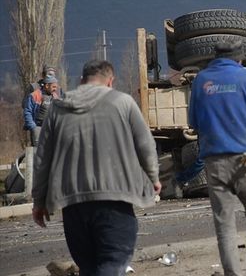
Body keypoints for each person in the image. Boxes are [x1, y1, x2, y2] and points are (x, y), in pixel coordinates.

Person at [31, 60, 161, 275]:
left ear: (81, 81)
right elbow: (145, 145)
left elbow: (42, 157)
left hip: (72, 203)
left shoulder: (57, 109)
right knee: (113, 262)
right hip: (115, 199)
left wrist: (39, 200)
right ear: (111, 82)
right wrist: (153, 177)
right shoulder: (124, 103)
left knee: (89, 267)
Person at [188, 38, 246, 276]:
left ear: (215, 56)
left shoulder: (201, 81)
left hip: (214, 161)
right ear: (240, 57)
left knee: (224, 224)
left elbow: (193, 122)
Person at [23, 73, 61, 146]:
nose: (55, 89)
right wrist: (33, 127)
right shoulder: (34, 95)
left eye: (56, 87)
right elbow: (27, 112)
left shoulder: (55, 96)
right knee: (37, 150)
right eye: (53, 87)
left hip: (51, 129)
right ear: (47, 86)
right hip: (38, 127)